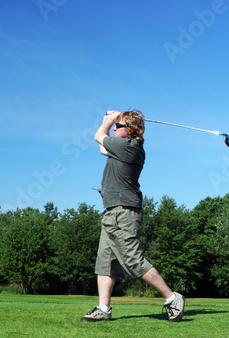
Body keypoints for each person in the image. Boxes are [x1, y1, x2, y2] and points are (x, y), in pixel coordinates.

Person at [81, 109, 185, 322]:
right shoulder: (120, 148)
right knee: (105, 263)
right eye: (116, 126)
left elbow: (98, 137)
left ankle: (172, 297)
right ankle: (103, 309)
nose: (115, 128)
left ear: (130, 131)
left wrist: (108, 121)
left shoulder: (130, 147)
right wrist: (109, 121)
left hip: (124, 212)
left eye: (119, 126)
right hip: (112, 211)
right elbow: (102, 147)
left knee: (133, 259)